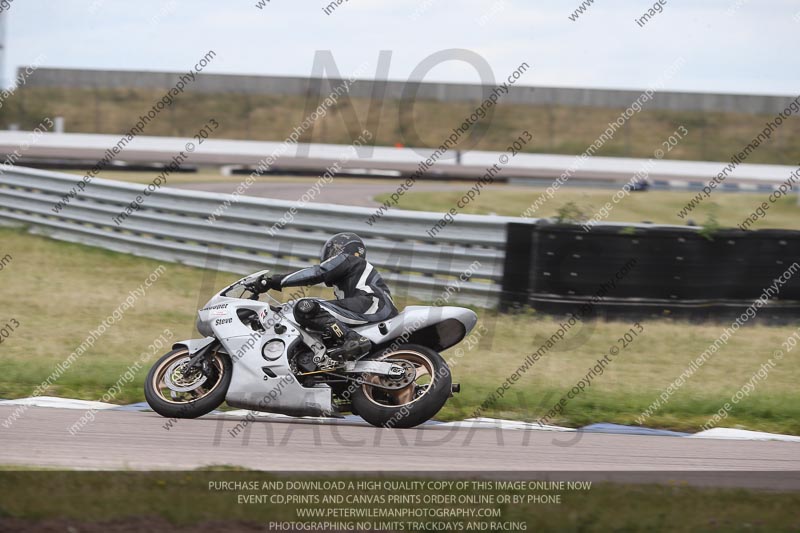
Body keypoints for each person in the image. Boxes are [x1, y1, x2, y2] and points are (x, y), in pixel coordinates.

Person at [255, 232, 398, 361]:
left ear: (344, 249)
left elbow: (317, 273)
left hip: (373, 303)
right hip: (373, 306)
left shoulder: (349, 259)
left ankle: (353, 339)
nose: (331, 254)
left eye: (335, 249)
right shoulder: (351, 273)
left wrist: (273, 281)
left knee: (306, 307)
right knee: (318, 316)